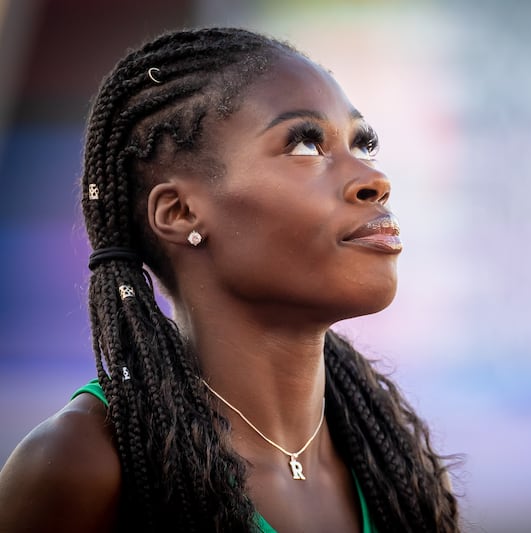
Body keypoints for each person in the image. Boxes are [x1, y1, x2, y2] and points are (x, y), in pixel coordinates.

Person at [0, 27, 459, 532]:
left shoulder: (387, 454)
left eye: (362, 144)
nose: (375, 180)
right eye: (306, 144)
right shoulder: (84, 465)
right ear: (180, 212)